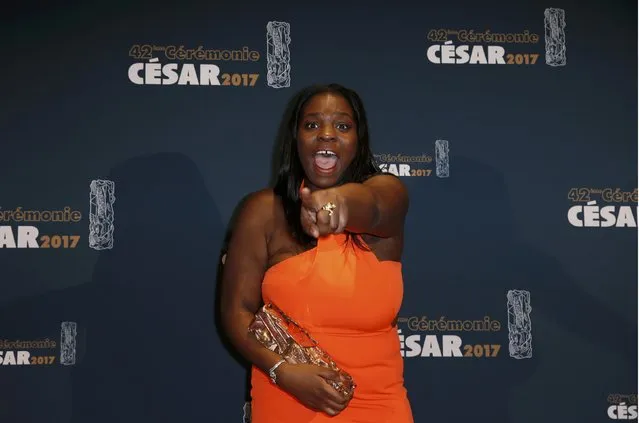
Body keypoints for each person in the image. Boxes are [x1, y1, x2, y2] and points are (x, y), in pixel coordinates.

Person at [220, 83, 413, 422]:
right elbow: (237, 311)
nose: (326, 134)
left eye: (342, 125)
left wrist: (336, 202)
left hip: (377, 408)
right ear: (295, 139)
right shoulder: (262, 211)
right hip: (284, 401)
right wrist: (281, 370)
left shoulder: (388, 194)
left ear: (359, 140)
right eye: (312, 125)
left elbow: (376, 206)